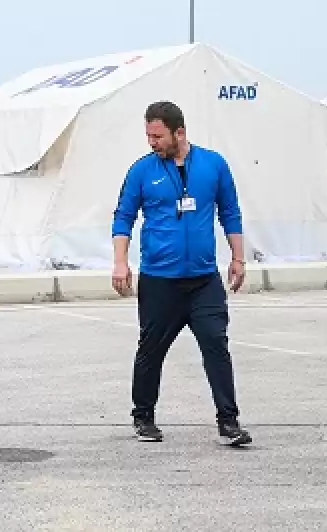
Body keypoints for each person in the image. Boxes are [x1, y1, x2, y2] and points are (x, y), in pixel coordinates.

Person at [110, 101, 252, 446]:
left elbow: (230, 213)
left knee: (216, 345)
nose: (152, 142)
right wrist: (120, 261)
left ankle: (228, 422)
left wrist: (238, 258)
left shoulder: (213, 165)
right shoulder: (141, 171)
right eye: (148, 135)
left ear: (179, 132)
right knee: (152, 349)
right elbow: (123, 217)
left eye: (157, 136)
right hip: (160, 281)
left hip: (204, 280)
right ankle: (143, 416)